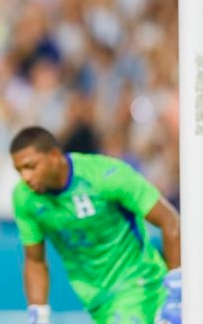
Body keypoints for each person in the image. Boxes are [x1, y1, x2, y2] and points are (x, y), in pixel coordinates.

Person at [9, 126, 181, 324]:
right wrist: (38, 314)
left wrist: (176, 292)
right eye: (19, 170)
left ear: (54, 156)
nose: (25, 177)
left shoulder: (105, 176)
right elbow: (35, 260)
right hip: (96, 301)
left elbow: (170, 220)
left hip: (140, 285)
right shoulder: (24, 198)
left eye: (31, 166)